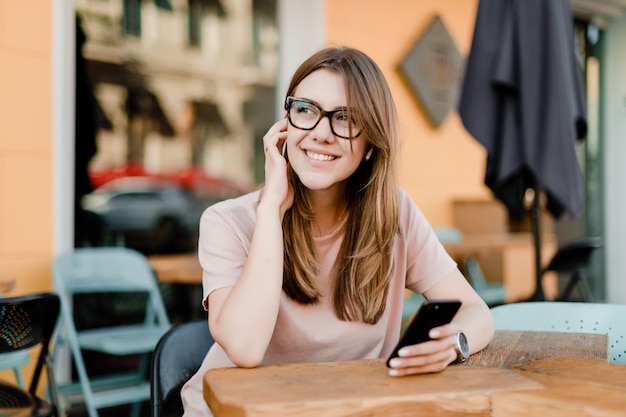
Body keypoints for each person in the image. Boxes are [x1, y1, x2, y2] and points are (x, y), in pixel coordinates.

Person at [181, 46, 494, 416]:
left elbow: (477, 311)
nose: (321, 133)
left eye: (344, 118)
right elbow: (245, 348)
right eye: (305, 110)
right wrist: (270, 212)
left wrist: (453, 344)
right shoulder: (228, 221)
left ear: (369, 145)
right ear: (284, 124)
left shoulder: (394, 213)